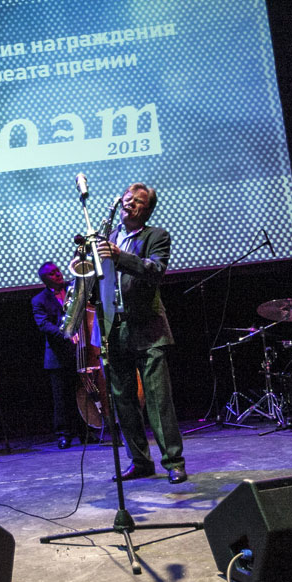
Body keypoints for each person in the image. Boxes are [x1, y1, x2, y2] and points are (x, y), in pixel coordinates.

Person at [95, 183, 187, 484]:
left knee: (158, 400)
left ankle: (173, 462)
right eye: (127, 199)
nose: (129, 203)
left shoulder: (156, 236)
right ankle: (140, 462)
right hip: (114, 326)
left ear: (147, 210)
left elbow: (156, 270)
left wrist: (120, 257)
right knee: (123, 401)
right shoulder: (108, 237)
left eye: (137, 201)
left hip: (148, 328)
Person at [32, 262, 85, 449]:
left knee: (83, 393)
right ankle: (64, 435)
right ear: (45, 280)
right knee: (61, 398)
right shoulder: (39, 300)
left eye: (57, 271)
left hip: (80, 351)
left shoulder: (73, 288)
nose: (58, 274)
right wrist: (66, 334)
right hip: (57, 356)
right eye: (52, 273)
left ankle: (86, 432)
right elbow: (44, 325)